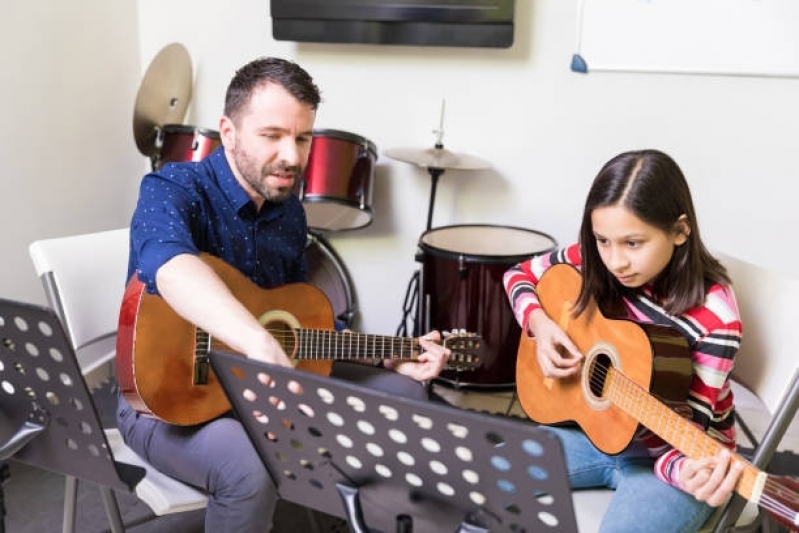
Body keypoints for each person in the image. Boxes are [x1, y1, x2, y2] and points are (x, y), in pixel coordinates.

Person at [116, 56, 450, 532]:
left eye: (302, 138)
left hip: (259, 383)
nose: (292, 156)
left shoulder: (288, 209)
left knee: (405, 394)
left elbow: (298, 322)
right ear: (229, 132)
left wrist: (387, 356)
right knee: (247, 470)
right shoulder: (173, 187)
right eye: (271, 136)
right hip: (164, 401)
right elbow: (169, 268)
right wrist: (257, 341)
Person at [503, 149, 745, 532]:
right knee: (478, 474)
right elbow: (518, 275)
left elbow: (685, 440)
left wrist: (688, 472)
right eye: (603, 240)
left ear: (680, 231)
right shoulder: (598, 258)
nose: (616, 261)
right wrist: (539, 324)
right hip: (593, 431)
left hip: (672, 458)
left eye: (633, 243)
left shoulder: (716, 318)